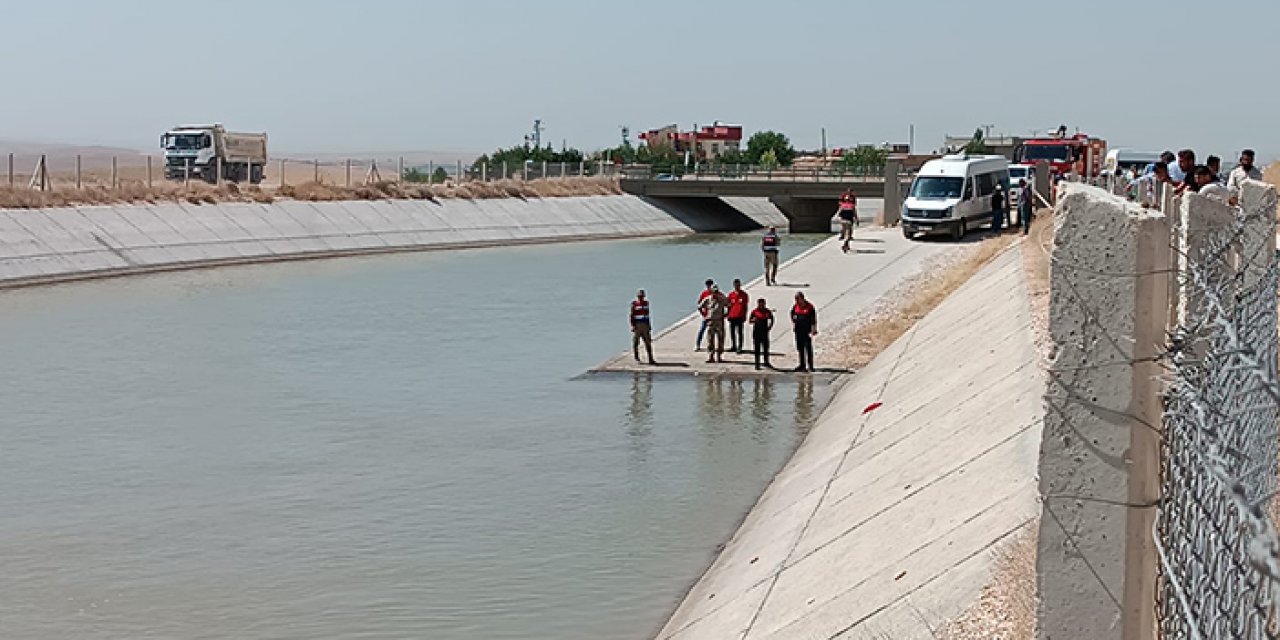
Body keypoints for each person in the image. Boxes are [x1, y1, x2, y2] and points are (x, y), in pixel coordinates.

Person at [699, 285, 729, 363]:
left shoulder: (722, 299)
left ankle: (719, 356)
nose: (715, 293)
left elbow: (729, 305)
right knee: (710, 339)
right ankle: (711, 356)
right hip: (711, 321)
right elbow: (700, 307)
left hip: (719, 321)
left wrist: (726, 314)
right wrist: (704, 315)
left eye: (716, 292)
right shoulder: (708, 299)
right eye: (714, 292)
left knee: (720, 339)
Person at [790, 292, 818, 373]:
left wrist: (813, 329)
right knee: (800, 347)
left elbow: (813, 319)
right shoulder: (795, 306)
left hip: (807, 330)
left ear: (802, 298)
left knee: (808, 348)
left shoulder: (810, 307)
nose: (796, 301)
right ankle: (802, 365)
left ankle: (810, 366)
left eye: (798, 299)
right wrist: (794, 323)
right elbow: (792, 314)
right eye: (795, 299)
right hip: (798, 330)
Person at [630, 289, 656, 364]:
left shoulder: (646, 303)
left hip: (645, 325)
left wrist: (649, 325)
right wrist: (633, 325)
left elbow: (647, 315)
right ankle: (636, 358)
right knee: (635, 342)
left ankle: (650, 359)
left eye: (642, 296)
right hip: (637, 325)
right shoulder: (634, 304)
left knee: (648, 342)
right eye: (639, 296)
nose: (641, 297)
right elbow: (632, 315)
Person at [748, 298, 775, 370]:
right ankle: (757, 363)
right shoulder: (755, 311)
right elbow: (750, 320)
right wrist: (753, 320)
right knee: (757, 349)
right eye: (760, 304)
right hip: (756, 332)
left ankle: (766, 362)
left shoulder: (767, 311)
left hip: (765, 332)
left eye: (763, 303)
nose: (762, 305)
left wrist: (770, 326)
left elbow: (772, 319)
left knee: (766, 348)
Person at [726, 278, 750, 353]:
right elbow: (729, 306)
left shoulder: (744, 295)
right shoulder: (731, 295)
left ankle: (740, 347)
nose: (737, 286)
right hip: (732, 316)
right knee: (732, 332)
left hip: (740, 316)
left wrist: (745, 315)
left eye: (738, 285)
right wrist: (728, 315)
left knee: (740, 332)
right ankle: (733, 346)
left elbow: (745, 306)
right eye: (736, 285)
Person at [694, 278, 714, 351]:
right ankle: (697, 344)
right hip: (706, 315)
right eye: (707, 285)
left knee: (713, 332)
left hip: (714, 316)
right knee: (702, 330)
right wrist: (703, 314)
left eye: (710, 285)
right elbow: (699, 304)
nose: (709, 287)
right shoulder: (704, 293)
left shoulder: (716, 293)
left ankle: (712, 345)